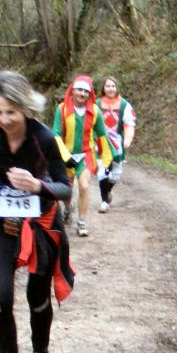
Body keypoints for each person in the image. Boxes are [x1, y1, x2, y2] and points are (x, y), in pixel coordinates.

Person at [0, 70, 75, 353]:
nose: (4, 119)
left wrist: (37, 185)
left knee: (38, 298)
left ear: (25, 108)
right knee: (0, 296)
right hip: (4, 223)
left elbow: (65, 189)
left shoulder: (44, 139)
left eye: (11, 112)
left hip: (41, 225)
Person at [52, 75, 115, 236]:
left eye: (86, 91)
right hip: (66, 156)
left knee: (84, 185)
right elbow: (56, 134)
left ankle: (81, 222)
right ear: (72, 91)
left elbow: (102, 135)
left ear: (90, 94)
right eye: (79, 90)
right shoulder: (62, 109)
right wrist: (65, 157)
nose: (82, 94)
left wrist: (108, 156)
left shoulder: (94, 111)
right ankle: (67, 209)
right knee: (66, 190)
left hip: (86, 155)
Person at [96, 76, 136, 213]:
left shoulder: (124, 105)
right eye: (108, 86)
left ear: (117, 88)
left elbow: (129, 124)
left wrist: (128, 139)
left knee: (115, 174)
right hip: (100, 142)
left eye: (113, 86)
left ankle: (107, 191)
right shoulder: (96, 104)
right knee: (102, 171)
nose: (111, 89)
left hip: (117, 142)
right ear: (103, 88)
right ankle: (103, 201)